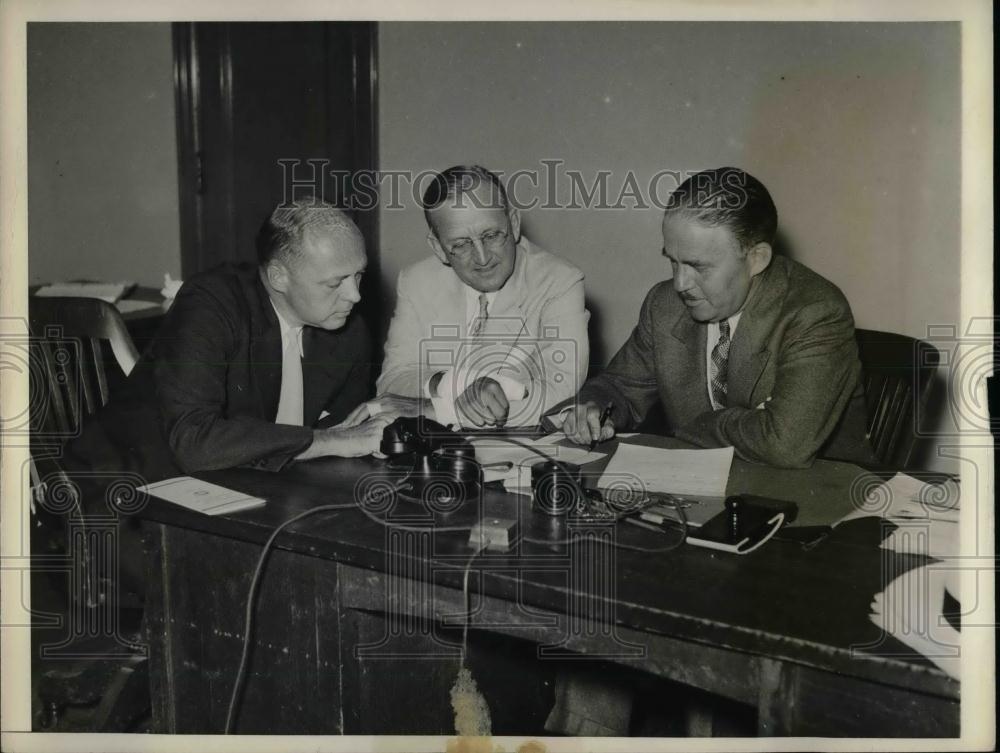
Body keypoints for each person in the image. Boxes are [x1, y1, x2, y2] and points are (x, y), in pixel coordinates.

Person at [557, 166, 874, 469]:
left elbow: (784, 443)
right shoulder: (664, 305)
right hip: (703, 494)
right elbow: (619, 387)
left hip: (816, 501)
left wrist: (694, 427)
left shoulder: (815, 312)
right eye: (674, 262)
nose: (680, 284)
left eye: (700, 266)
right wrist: (594, 407)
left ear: (756, 258)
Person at [65, 199, 397, 484]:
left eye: (359, 275)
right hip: (129, 483)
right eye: (334, 283)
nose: (354, 295)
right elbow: (194, 441)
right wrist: (325, 440)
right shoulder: (211, 304)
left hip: (242, 484)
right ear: (279, 276)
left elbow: (343, 435)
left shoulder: (347, 327)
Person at [372, 165, 589, 429]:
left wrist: (440, 410)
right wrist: (454, 383)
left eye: (491, 235)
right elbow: (392, 380)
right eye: (461, 245)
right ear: (439, 248)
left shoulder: (560, 281)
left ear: (515, 223)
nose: (483, 258)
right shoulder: (416, 281)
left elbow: (561, 394)